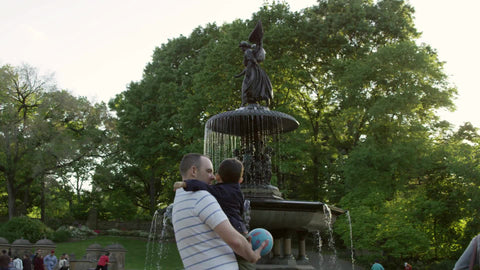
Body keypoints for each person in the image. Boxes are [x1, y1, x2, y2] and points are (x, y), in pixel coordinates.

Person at [172, 153, 266, 269]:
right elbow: (236, 241)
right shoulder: (202, 198)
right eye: (208, 171)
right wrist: (252, 256)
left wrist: (185, 184)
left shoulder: (179, 201)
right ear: (194, 171)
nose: (212, 177)